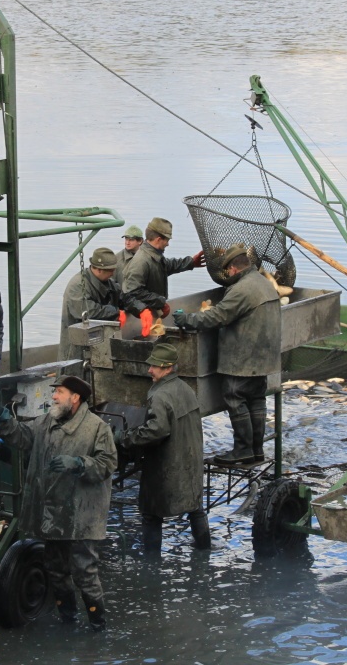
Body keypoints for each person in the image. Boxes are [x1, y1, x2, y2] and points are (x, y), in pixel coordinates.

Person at [0, 375, 117, 630]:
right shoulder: (46, 422)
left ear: (75, 398)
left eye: (59, 392)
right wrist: (0, 415)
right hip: (54, 514)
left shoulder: (97, 428)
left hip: (82, 515)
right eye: (54, 392)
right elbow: (20, 436)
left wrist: (79, 463)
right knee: (56, 570)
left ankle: (98, 629)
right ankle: (69, 622)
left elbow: (108, 464)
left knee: (85, 573)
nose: (53, 397)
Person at [173, 244, 280, 465]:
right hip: (263, 358)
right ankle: (256, 450)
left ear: (233, 268)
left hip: (243, 358)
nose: (228, 275)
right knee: (256, 399)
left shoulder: (242, 289)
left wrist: (187, 320)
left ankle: (242, 450)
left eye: (228, 271)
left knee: (235, 397)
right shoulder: (263, 282)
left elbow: (217, 316)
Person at [116, 341, 210, 551]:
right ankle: (205, 550)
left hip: (167, 466)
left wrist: (126, 438)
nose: (149, 370)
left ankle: (152, 563)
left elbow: (156, 431)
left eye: (154, 366)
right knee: (196, 508)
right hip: (191, 462)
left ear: (167, 368)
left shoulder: (160, 395)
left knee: (151, 514)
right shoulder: (186, 389)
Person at [120, 217, 205, 332]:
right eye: (167, 240)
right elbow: (131, 292)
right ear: (159, 239)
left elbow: (167, 266)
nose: (168, 244)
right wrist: (161, 302)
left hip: (153, 314)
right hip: (143, 318)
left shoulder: (154, 255)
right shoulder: (141, 261)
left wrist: (191, 262)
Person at [59, 248, 125, 359]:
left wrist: (139, 308)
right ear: (99, 270)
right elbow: (89, 311)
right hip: (77, 345)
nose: (113, 273)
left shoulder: (108, 282)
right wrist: (117, 312)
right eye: (111, 270)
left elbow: (123, 298)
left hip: (99, 343)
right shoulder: (78, 285)